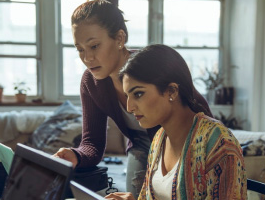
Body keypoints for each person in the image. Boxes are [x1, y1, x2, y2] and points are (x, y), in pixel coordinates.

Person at [54, 0, 212, 197]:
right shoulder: (90, 83)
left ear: (119, 39)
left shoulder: (150, 66)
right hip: (140, 145)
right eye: (80, 49)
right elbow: (92, 143)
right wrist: (75, 155)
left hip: (181, 144)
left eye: (94, 46)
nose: (87, 58)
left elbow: (199, 111)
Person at [105, 44, 247, 200]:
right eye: (127, 96)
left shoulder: (218, 143)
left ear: (171, 91)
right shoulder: (159, 139)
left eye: (138, 94)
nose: (129, 107)